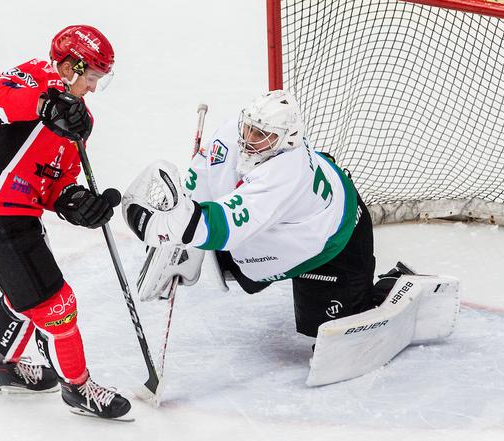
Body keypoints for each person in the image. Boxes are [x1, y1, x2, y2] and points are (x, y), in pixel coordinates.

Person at [0, 25, 131, 420]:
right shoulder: (33, 76)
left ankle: (3, 364)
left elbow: (54, 177)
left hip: (15, 214)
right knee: (56, 305)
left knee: (24, 295)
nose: (95, 88)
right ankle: (79, 388)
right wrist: (44, 105)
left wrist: (76, 201)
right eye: (93, 76)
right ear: (71, 65)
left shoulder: (81, 120)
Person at [123, 90, 402, 339]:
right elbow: (204, 170)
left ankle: (394, 285)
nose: (248, 138)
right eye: (248, 127)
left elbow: (229, 225)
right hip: (309, 209)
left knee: (333, 332)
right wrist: (186, 218)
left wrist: (172, 226)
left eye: (260, 135)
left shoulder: (286, 172)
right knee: (232, 259)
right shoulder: (233, 131)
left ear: (286, 140)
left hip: (337, 238)